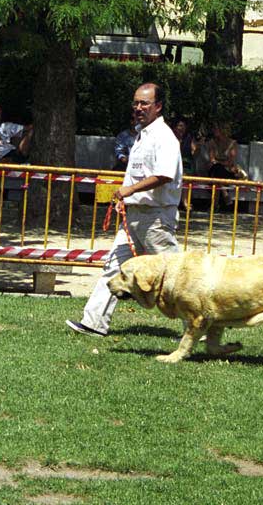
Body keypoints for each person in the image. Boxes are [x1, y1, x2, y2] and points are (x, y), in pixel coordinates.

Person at [66, 82, 183, 337]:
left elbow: (163, 174)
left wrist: (129, 192)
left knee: (174, 276)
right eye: (136, 103)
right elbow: (137, 175)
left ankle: (202, 328)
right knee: (114, 268)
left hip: (156, 219)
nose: (138, 108)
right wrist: (124, 199)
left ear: (158, 106)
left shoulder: (164, 137)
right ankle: (94, 323)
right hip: (134, 216)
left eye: (145, 103)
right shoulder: (142, 134)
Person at [208, 123, 239, 209]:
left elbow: (230, 162)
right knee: (217, 169)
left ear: (222, 130)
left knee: (217, 171)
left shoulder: (232, 143)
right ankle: (225, 193)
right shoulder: (212, 143)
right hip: (215, 170)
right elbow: (211, 160)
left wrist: (218, 161)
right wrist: (220, 162)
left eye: (216, 129)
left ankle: (214, 205)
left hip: (228, 171)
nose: (214, 131)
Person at [172, 116, 198, 210]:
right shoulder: (170, 137)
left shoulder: (189, 137)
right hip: (173, 161)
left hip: (186, 162)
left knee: (186, 176)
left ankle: (185, 201)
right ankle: (176, 201)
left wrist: (195, 149)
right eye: (179, 126)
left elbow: (194, 150)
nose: (181, 128)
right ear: (175, 127)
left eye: (183, 126)